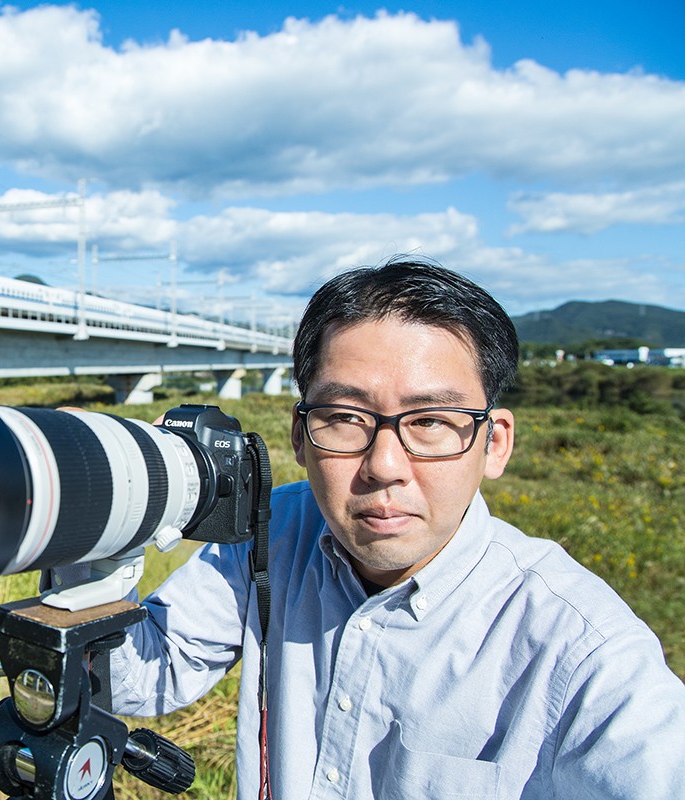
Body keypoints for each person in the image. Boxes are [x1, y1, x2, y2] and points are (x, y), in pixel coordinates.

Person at [104, 258, 685, 799]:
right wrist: (117, 514)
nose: (383, 465)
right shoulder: (271, 535)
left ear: (495, 443)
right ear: (299, 438)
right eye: (344, 418)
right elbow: (142, 676)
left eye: (431, 421)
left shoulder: (584, 652)